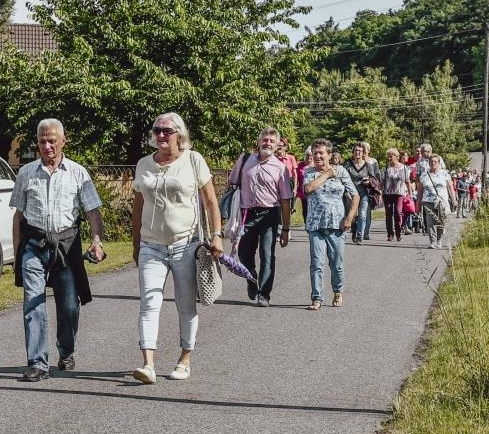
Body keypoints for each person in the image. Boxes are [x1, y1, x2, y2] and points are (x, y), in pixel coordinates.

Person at [10, 119, 106, 382]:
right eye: (42, 141)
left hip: (66, 246)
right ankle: (38, 362)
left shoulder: (77, 173)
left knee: (69, 306)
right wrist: (18, 253)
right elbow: (18, 216)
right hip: (34, 246)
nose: (47, 146)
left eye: (52, 140)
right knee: (33, 302)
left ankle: (66, 350)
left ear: (64, 140)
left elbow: (92, 211)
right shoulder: (26, 173)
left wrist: (96, 242)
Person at [131, 112, 222, 384]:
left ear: (179, 134)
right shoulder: (144, 164)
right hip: (151, 246)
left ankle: (185, 359)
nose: (160, 135)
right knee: (149, 302)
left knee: (185, 305)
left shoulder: (194, 160)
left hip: (185, 245)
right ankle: (148, 363)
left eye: (167, 131)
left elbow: (210, 202)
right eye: (157, 130)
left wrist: (217, 235)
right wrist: (136, 244)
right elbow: (137, 208)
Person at [228, 127, 293, 307]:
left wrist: (286, 228)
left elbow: (286, 200)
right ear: (259, 141)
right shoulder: (245, 160)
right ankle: (251, 279)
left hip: (269, 214)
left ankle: (264, 294)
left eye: (272, 141)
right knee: (243, 253)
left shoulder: (280, 168)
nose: (268, 143)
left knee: (267, 254)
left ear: (277, 144)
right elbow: (232, 181)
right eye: (265, 140)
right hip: (246, 213)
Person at [303, 139, 358, 310]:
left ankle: (338, 291)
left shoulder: (341, 171)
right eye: (315, 153)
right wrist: (326, 174)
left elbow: (355, 195)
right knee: (316, 263)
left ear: (329, 154)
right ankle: (317, 297)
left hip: (337, 225)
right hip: (315, 225)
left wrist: (349, 218)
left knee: (336, 263)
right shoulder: (309, 172)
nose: (318, 156)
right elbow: (308, 189)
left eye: (321, 153)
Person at [341, 142, 381, 244]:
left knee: (363, 215)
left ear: (363, 153)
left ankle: (360, 236)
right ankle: (354, 231)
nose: (357, 152)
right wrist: (346, 192)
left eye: (360, 150)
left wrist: (369, 181)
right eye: (356, 150)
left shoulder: (368, 165)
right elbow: (342, 178)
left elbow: (374, 179)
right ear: (353, 152)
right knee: (352, 215)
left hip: (364, 193)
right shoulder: (348, 165)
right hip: (351, 194)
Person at [418, 154, 456, 248]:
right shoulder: (424, 175)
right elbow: (420, 190)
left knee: (441, 221)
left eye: (435, 161)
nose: (433, 163)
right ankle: (432, 242)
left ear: (439, 163)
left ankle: (439, 241)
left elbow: (450, 187)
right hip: (427, 200)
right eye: (431, 161)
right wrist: (418, 203)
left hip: (441, 201)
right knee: (430, 221)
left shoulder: (445, 174)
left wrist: (454, 200)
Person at [379, 147, 411, 242]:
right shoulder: (385, 168)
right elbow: (382, 182)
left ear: (396, 156)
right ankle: (390, 234)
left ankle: (398, 232)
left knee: (398, 212)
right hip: (387, 194)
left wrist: (410, 194)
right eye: (388, 156)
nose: (389, 158)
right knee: (388, 214)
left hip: (399, 193)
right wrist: (380, 193)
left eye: (391, 156)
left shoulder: (404, 168)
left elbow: (407, 181)